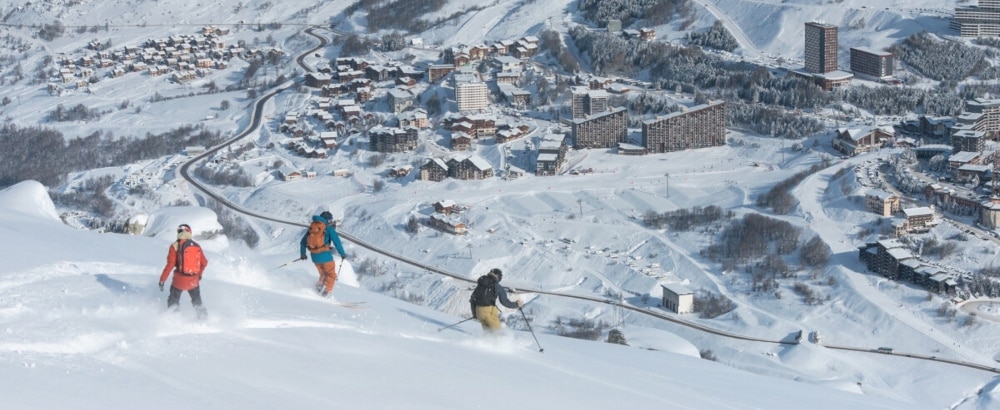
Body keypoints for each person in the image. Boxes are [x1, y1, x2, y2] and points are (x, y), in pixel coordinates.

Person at [159, 224, 209, 319]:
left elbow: (170, 265)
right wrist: (199, 275)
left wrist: (162, 280)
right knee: (197, 301)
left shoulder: (174, 246)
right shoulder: (196, 245)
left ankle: (174, 319)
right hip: (193, 280)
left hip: (179, 280)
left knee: (173, 300)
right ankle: (203, 319)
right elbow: (204, 262)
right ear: (189, 232)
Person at [300, 212, 347, 297]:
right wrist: (342, 254)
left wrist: (303, 254)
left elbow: (302, 243)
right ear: (328, 220)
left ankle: (316, 290)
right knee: (331, 275)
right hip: (325, 256)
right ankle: (326, 294)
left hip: (314, 257)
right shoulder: (328, 229)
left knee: (323, 274)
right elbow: (337, 243)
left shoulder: (311, 228)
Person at [469, 268, 522, 333]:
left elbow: (472, 299)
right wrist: (516, 304)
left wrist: (475, 314)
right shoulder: (497, 286)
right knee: (498, 333)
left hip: (479, 311)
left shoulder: (481, 284)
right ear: (498, 276)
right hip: (489, 311)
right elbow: (505, 302)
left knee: (488, 333)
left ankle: (484, 343)